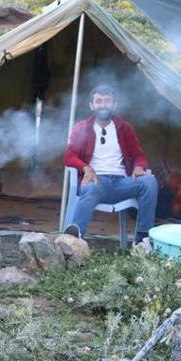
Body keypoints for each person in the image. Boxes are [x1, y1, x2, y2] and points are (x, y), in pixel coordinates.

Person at [62, 84, 158, 244]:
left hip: (122, 183)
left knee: (149, 181)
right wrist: (86, 168)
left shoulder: (124, 128)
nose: (103, 105)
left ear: (114, 104)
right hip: (96, 181)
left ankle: (143, 240)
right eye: (98, 101)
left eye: (107, 101)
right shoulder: (82, 128)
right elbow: (69, 156)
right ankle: (74, 242)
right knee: (90, 188)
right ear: (91, 105)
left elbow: (138, 154)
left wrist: (138, 166)